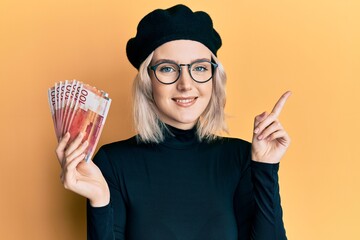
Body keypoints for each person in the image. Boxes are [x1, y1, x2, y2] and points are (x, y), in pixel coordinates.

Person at [55, 4, 291, 240]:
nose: (186, 84)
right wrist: (100, 201)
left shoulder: (242, 159)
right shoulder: (112, 164)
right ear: (148, 81)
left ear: (214, 80)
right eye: (168, 69)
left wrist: (265, 168)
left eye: (199, 68)